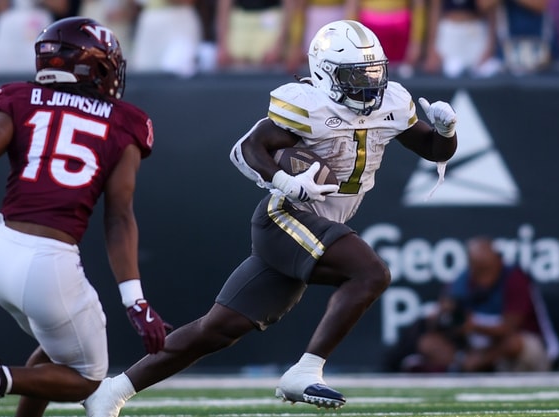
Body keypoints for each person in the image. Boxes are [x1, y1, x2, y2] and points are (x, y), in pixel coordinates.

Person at [84, 19, 458, 416]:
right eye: (355, 74)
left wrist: (446, 130)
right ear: (326, 74)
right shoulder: (309, 106)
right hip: (285, 217)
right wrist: (285, 181)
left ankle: (111, 392)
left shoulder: (390, 105)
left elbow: (434, 151)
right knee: (371, 273)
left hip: (312, 224)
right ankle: (306, 370)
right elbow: (246, 149)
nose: (368, 83)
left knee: (216, 329)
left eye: (373, 71)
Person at [0, 17, 170, 417]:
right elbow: (119, 216)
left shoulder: (18, 96)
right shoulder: (125, 121)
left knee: (59, 349)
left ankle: (4, 389)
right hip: (48, 263)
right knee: (88, 378)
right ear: (96, 66)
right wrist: (136, 301)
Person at [413, 236, 554, 373]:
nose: (483, 276)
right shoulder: (459, 283)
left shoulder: (515, 279)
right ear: (470, 265)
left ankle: (475, 366)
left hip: (512, 347)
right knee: (428, 343)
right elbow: (443, 322)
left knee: (513, 343)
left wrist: (473, 326)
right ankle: (463, 366)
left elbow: (509, 328)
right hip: (473, 347)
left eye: (487, 268)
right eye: (478, 268)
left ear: (498, 261)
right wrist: (443, 316)